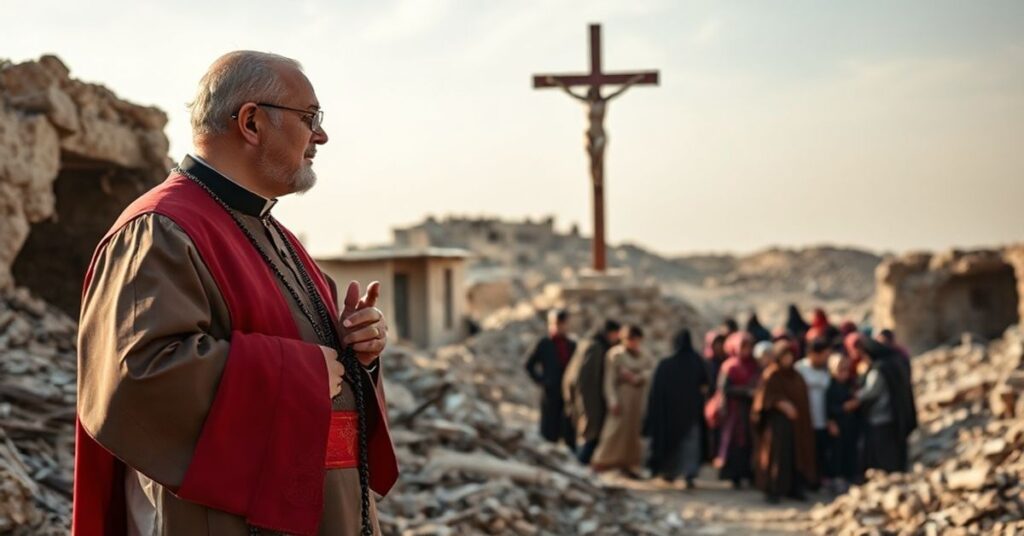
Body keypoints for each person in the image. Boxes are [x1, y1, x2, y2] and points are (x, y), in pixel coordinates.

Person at [73, 51, 397, 536]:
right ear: (251, 122)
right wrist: (301, 371)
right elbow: (138, 374)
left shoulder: (276, 236)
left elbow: (329, 379)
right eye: (310, 118)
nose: (321, 136)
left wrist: (359, 353)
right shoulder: (162, 229)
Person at [752, 341, 817, 503]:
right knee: (777, 457)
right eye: (784, 356)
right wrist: (780, 403)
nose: (788, 359)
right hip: (776, 425)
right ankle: (773, 489)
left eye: (790, 356)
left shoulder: (796, 376)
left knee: (796, 455)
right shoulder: (772, 374)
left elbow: (802, 399)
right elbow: (763, 398)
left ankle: (793, 488)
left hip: (796, 426)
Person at [644, 330, 710, 488]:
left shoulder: (666, 364)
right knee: (690, 444)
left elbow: (656, 392)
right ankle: (688, 474)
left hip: (669, 415)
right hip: (691, 412)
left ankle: (669, 473)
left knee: (671, 442)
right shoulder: (697, 361)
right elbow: (706, 385)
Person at [846, 339, 917, 473]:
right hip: (896, 413)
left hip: (881, 415)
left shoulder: (878, 370)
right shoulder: (894, 362)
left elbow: (871, 391)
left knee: (884, 450)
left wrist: (854, 397)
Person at [592, 326, 655, 476]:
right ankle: (602, 461)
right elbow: (609, 380)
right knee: (614, 430)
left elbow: (651, 372)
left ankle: (629, 464)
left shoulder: (645, 356)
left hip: (638, 399)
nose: (632, 343)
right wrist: (612, 400)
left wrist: (637, 377)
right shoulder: (616, 355)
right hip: (621, 397)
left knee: (633, 433)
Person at [563, 319, 622, 465]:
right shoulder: (595, 348)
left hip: (583, 398)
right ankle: (579, 466)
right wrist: (588, 407)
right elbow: (586, 379)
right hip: (590, 401)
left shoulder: (589, 343)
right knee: (590, 435)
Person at [525, 309, 578, 449]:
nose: (558, 327)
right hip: (551, 393)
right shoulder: (544, 343)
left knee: (568, 428)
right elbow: (529, 365)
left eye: (561, 323)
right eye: (555, 323)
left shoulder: (571, 345)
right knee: (549, 430)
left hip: (567, 394)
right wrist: (543, 381)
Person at [715, 332, 758, 488]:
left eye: (749, 347)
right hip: (733, 411)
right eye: (743, 347)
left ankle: (748, 474)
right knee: (733, 443)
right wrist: (746, 392)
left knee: (748, 442)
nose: (747, 351)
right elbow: (725, 389)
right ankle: (733, 476)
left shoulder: (753, 365)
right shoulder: (730, 366)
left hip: (749, 410)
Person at [795, 337, 833, 490]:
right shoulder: (799, 369)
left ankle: (816, 481)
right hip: (804, 420)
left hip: (821, 420)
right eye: (824, 355)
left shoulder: (826, 371)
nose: (826, 358)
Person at [825, 353, 859, 492]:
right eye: (840, 369)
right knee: (836, 453)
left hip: (850, 425)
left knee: (849, 451)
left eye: (845, 368)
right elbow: (828, 407)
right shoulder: (831, 386)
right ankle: (836, 479)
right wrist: (832, 419)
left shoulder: (850, 384)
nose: (843, 372)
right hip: (837, 425)